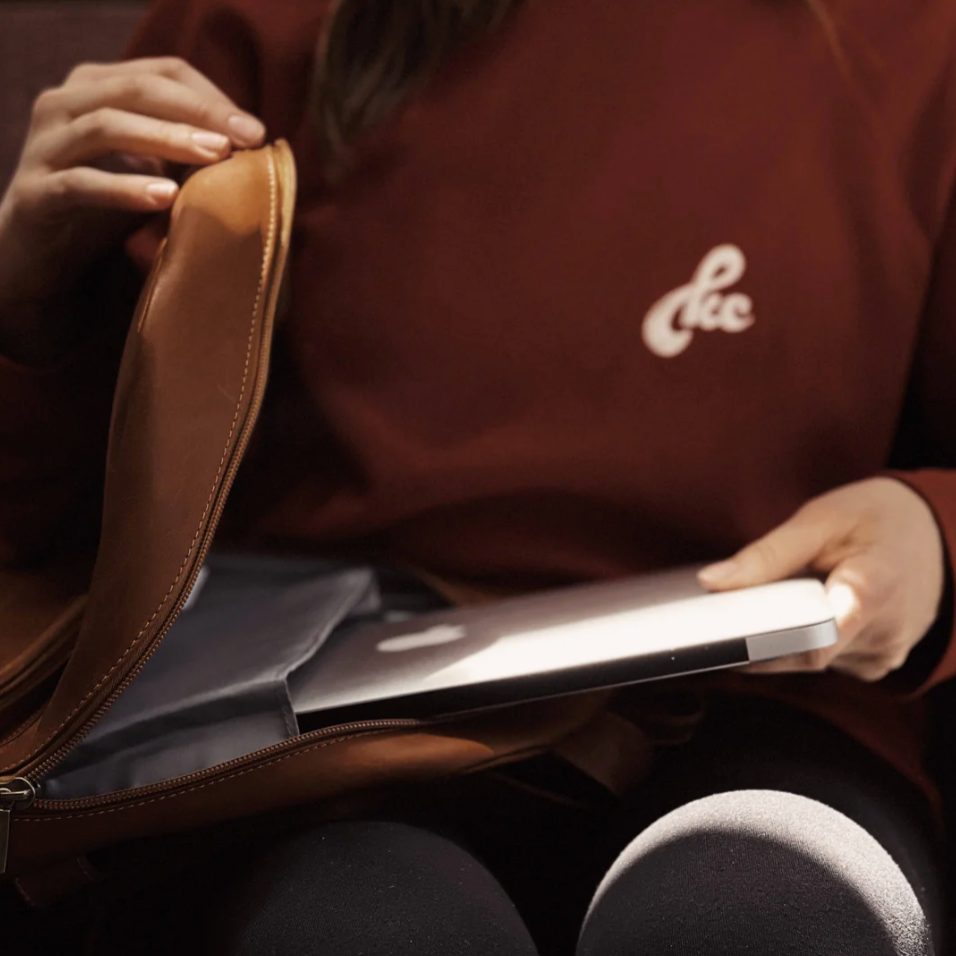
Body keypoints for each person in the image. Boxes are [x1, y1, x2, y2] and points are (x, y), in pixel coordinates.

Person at [1, 0, 954, 952]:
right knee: (357, 928)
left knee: (763, 913)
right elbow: (71, 537)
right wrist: (29, 305)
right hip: (333, 720)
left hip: (773, 695)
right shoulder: (265, 24)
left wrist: (933, 536)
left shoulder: (923, 45)